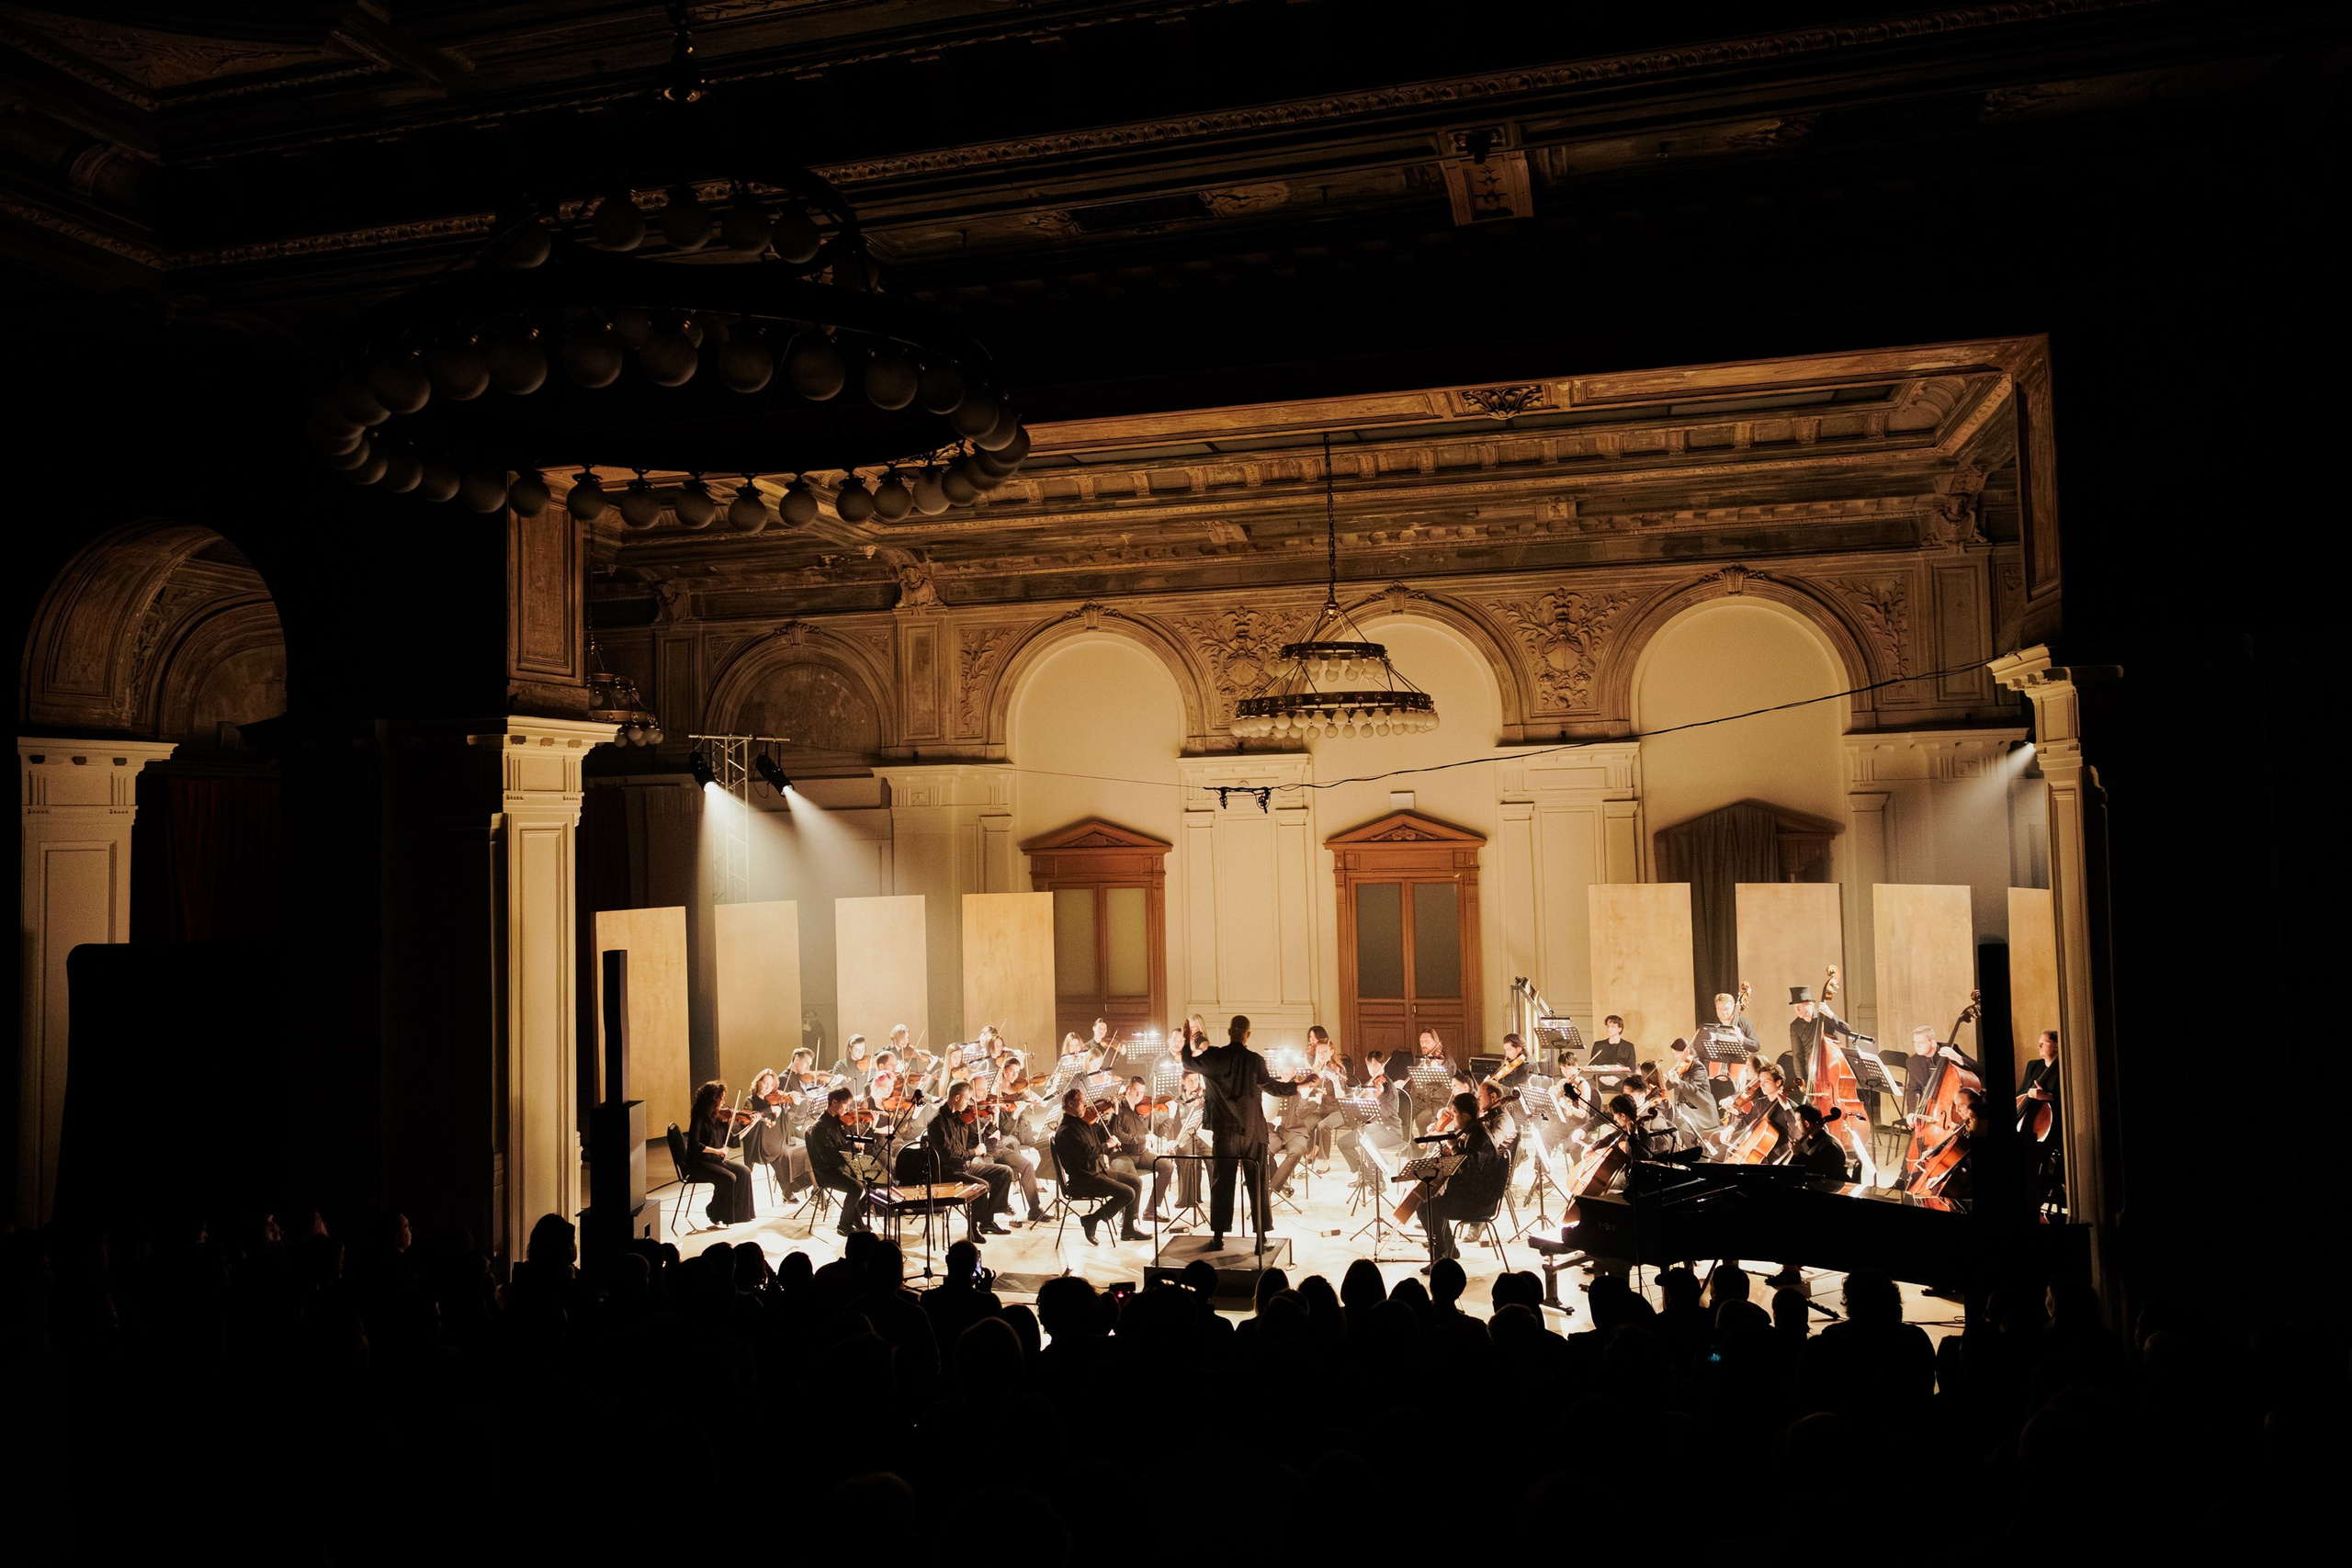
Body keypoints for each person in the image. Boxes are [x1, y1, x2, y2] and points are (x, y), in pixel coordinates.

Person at [1182, 1014, 1306, 1250]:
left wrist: (1188, 1035)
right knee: (1257, 1183)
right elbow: (1273, 1087)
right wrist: (1298, 1087)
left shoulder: (1215, 1056)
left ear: (1229, 1033)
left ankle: (1218, 1238)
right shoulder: (1256, 1060)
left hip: (1225, 1132)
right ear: (1247, 1035)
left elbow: (1188, 1063)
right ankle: (1261, 1239)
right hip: (1253, 1131)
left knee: (1222, 1184)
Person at [1419, 1091, 1508, 1272]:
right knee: (1432, 1202)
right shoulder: (1472, 1131)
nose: (1453, 1116)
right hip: (1470, 1193)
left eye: (1455, 1112)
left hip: (1478, 1201)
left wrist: (1453, 1147)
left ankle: (1441, 1256)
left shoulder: (1479, 1136)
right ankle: (1448, 1250)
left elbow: (1468, 1168)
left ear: (1466, 1115)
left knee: (1425, 1208)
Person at [1051, 1087, 1144, 1244]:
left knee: (1136, 1182)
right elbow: (1087, 1153)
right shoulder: (1066, 1131)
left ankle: (1128, 1229)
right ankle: (1091, 1220)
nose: (1086, 1106)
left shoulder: (1083, 1122)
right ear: (1071, 1104)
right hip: (1084, 1179)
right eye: (1082, 1102)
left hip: (1098, 1171)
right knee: (1127, 1193)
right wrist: (1107, 1145)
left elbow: (1104, 1134)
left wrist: (1113, 1117)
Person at [928, 1080, 1015, 1239]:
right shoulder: (937, 1122)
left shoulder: (962, 1117)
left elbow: (974, 1140)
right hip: (947, 1171)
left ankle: (987, 1221)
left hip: (963, 1167)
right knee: (981, 1186)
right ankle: (973, 1228)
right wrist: (973, 1152)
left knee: (1005, 1172)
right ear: (956, 1098)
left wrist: (992, 1122)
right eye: (967, 1099)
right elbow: (948, 1155)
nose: (969, 1103)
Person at [684, 1080, 759, 1225]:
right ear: (712, 1100)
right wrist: (717, 1150)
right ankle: (714, 1211)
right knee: (728, 1178)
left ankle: (741, 1214)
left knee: (744, 1171)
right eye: (721, 1098)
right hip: (699, 1162)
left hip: (715, 1161)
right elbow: (694, 1145)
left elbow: (732, 1141)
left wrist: (751, 1125)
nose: (724, 1102)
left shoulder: (720, 1118)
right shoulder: (699, 1118)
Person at [1103, 1077, 1177, 1221]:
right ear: (1128, 1090)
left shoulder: (1145, 1109)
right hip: (1121, 1155)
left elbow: (1159, 1132)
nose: (1139, 1096)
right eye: (1136, 1091)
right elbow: (1117, 1134)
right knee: (1134, 1179)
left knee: (1167, 1167)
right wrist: (1143, 1138)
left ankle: (1151, 1211)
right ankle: (1127, 1216)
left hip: (1141, 1153)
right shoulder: (1118, 1108)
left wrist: (1171, 1115)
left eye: (1142, 1092)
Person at [806, 1087, 872, 1236]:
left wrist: (855, 1143)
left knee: (868, 1179)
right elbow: (827, 1158)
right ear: (834, 1102)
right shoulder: (819, 1127)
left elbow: (844, 1143)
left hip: (840, 1166)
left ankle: (857, 1220)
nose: (848, 1109)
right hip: (826, 1172)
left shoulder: (838, 1122)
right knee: (856, 1187)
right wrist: (848, 1155)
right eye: (846, 1105)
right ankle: (844, 1225)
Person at [738, 1067, 809, 1201]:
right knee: (781, 1153)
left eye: (771, 1085)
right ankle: (787, 1191)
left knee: (805, 1148)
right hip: (761, 1141)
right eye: (765, 1083)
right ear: (758, 1082)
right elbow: (749, 1123)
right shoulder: (750, 1101)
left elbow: (790, 1117)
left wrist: (795, 1104)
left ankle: (798, 1184)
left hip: (781, 1136)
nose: (768, 1087)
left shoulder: (776, 1098)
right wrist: (769, 1110)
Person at [1788, 982, 1843, 1096]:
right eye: (1795, 1007)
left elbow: (1846, 1029)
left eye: (1799, 1006)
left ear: (1810, 1004)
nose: (1797, 1010)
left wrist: (1831, 1015)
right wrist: (1801, 1078)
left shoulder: (1824, 1016)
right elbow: (1797, 1055)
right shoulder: (1795, 1026)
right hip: (1811, 1070)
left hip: (1830, 1066)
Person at [1789, 1103, 1851, 1180]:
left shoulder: (1829, 1146)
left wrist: (1800, 1154)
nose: (1795, 1124)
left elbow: (1819, 1171)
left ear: (1807, 1124)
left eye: (1797, 1121)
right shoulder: (1821, 1141)